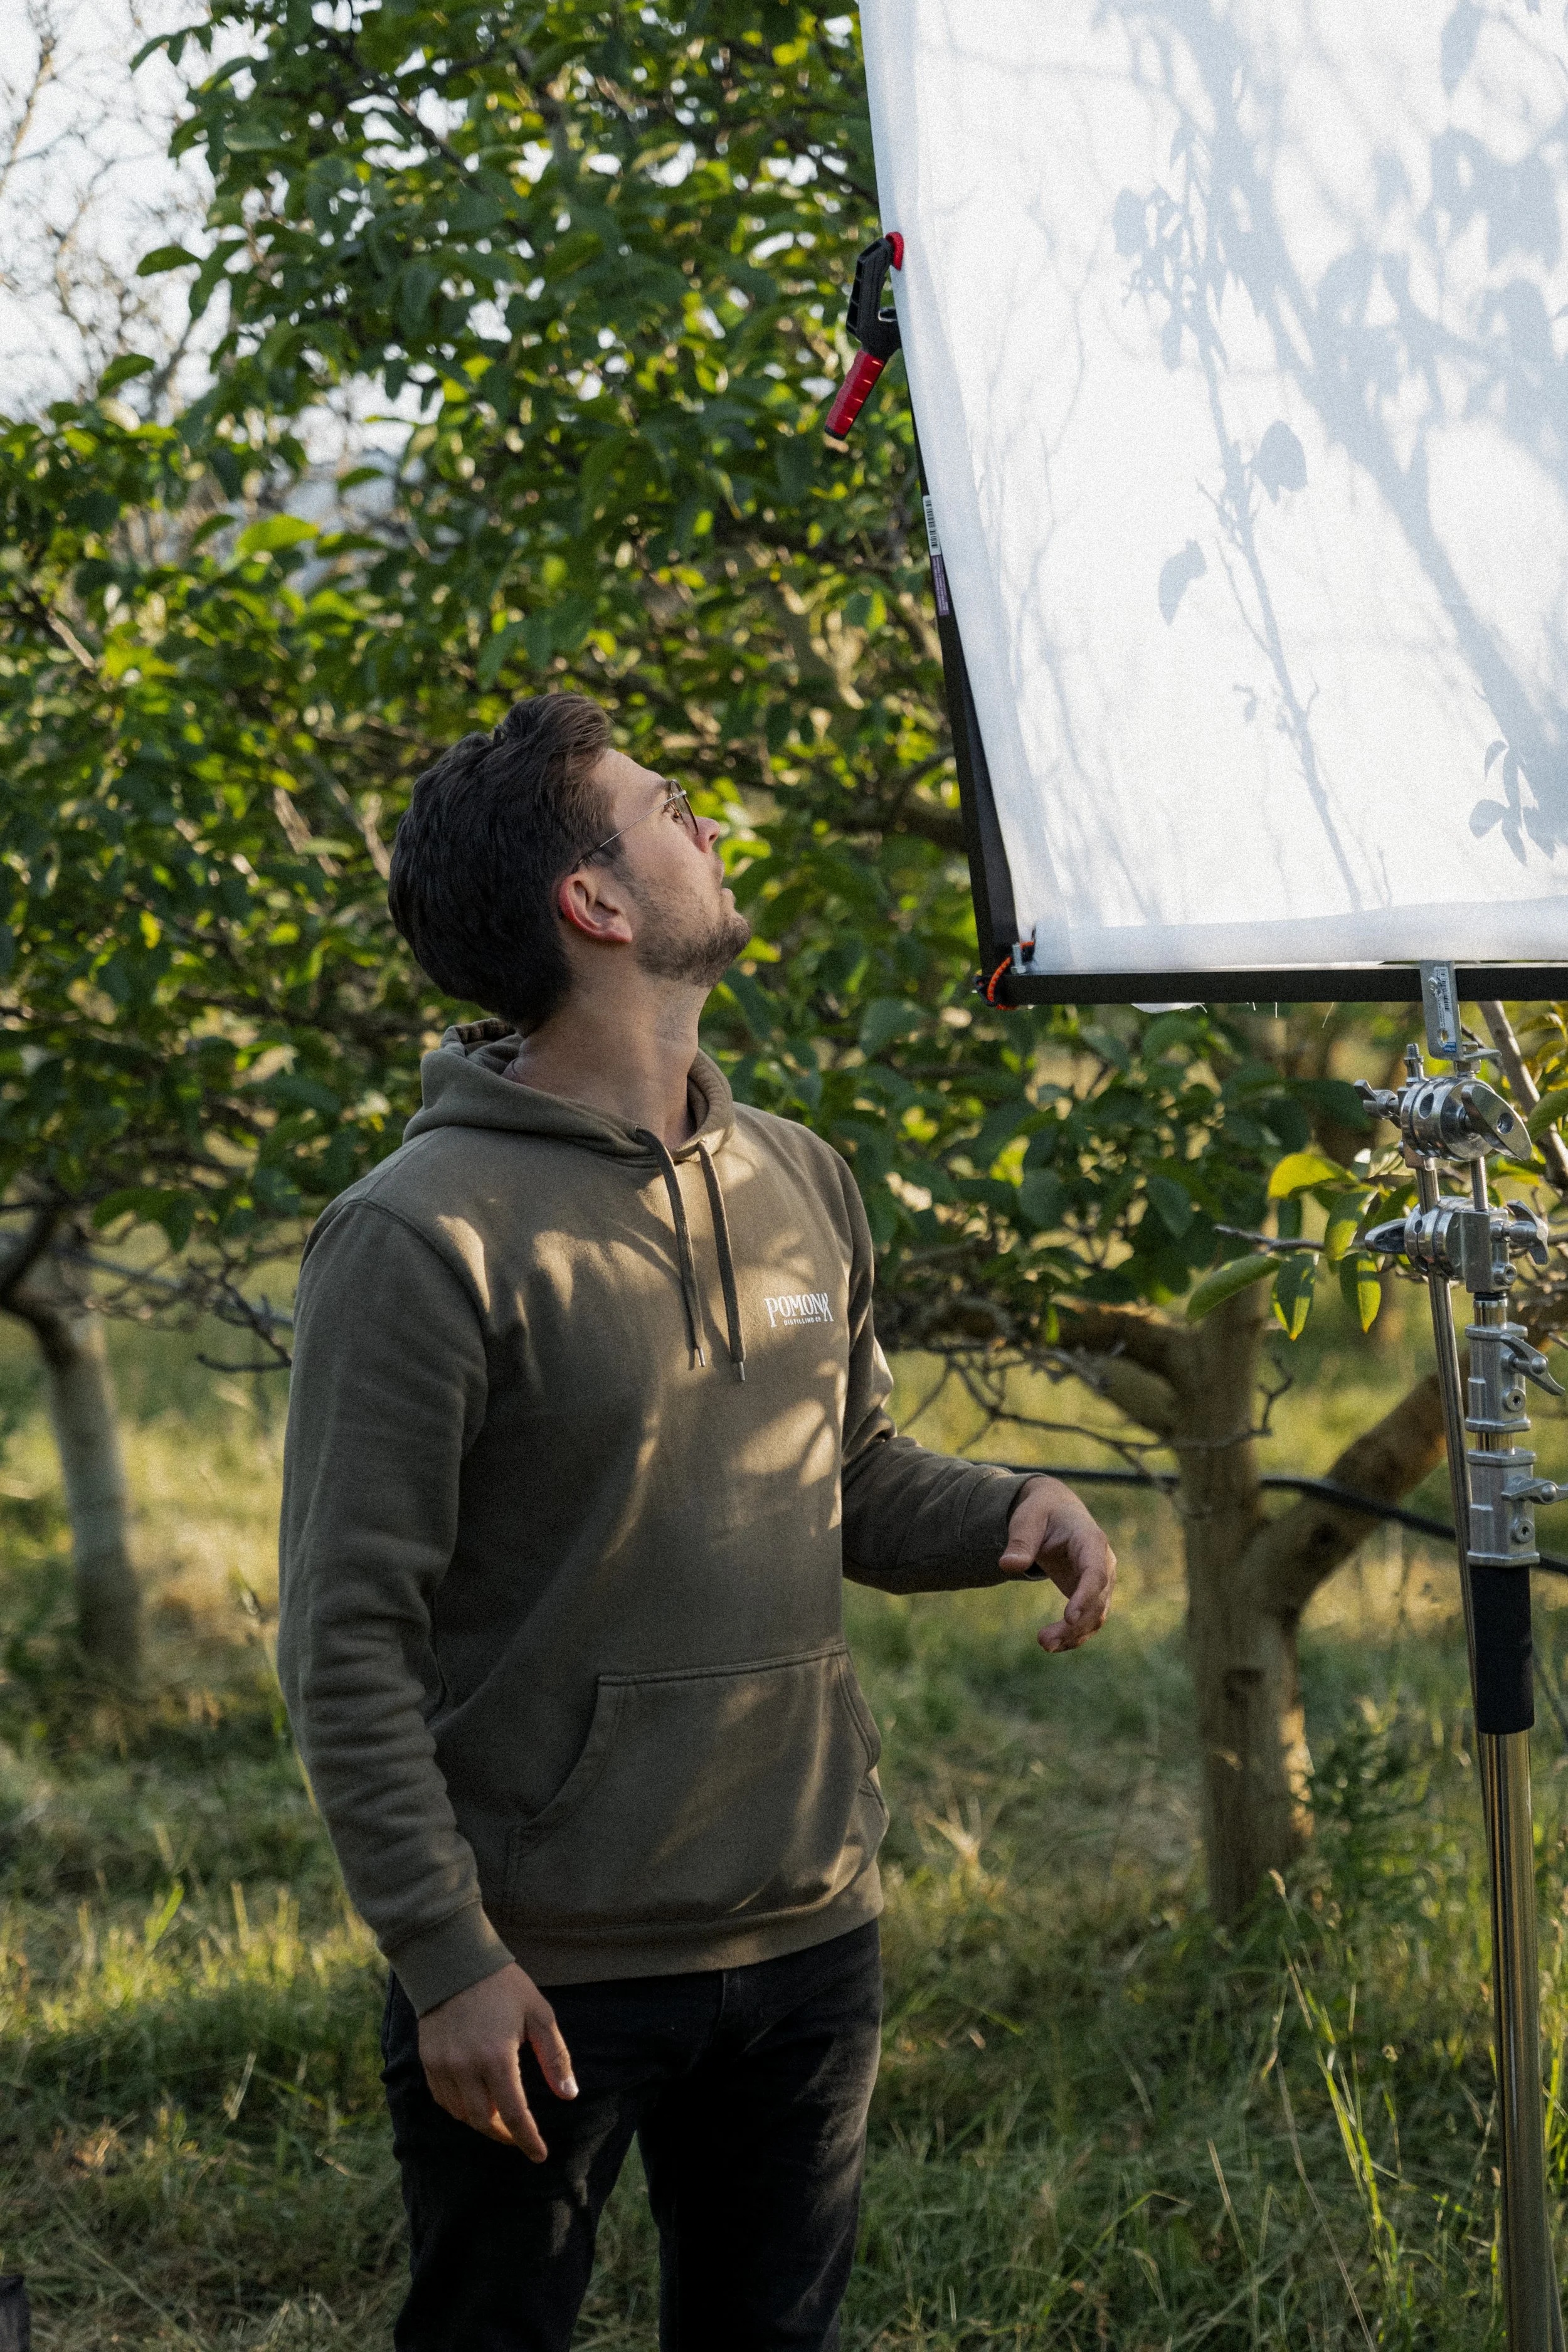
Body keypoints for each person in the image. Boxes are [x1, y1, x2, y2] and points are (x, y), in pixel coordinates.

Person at [277, 692, 1117, 2352]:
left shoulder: (795, 1173)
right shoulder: (416, 1236)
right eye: (666, 808)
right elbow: (342, 1643)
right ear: (591, 903)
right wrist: (449, 1961)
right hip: (545, 1968)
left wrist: (1012, 1502)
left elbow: (849, 1471)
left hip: (807, 1925)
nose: (706, 827)